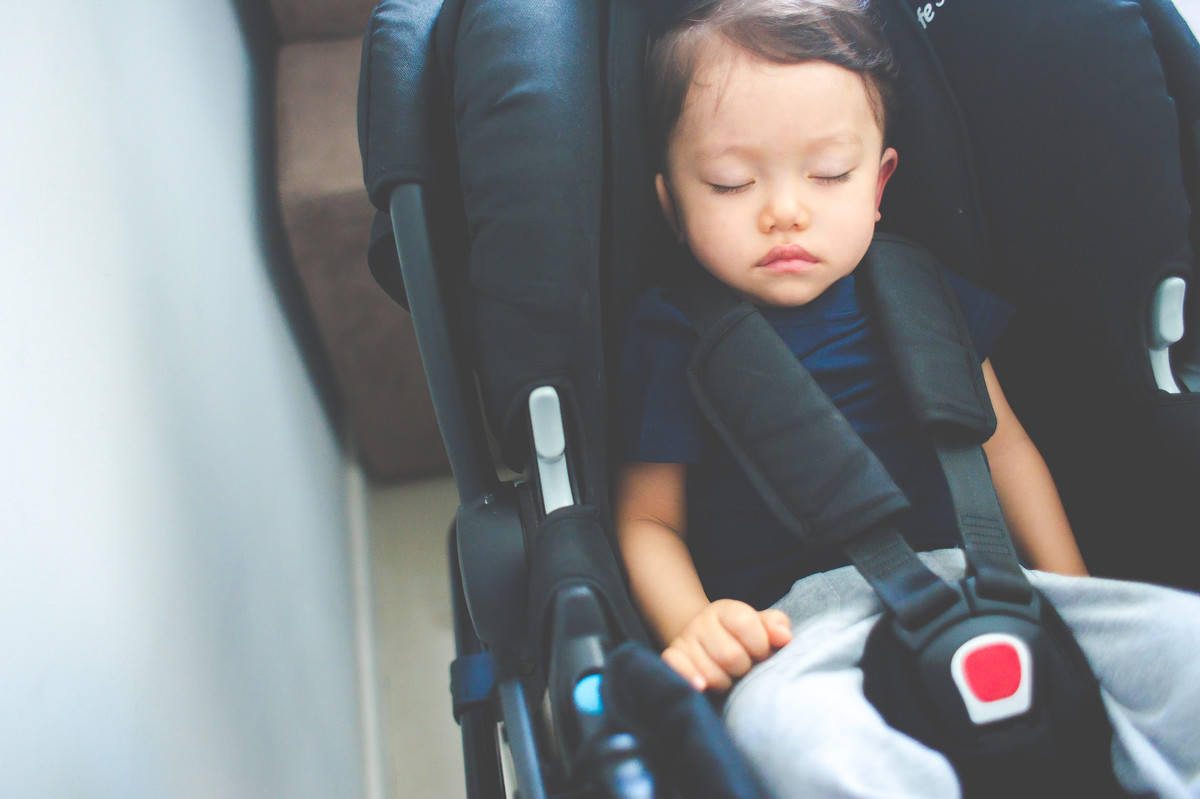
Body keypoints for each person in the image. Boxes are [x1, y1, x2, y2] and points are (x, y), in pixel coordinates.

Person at [612, 0, 1200, 796]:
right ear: (670, 200)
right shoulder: (676, 335)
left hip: (991, 579)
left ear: (880, 181)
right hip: (804, 631)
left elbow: (1006, 448)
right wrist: (696, 623)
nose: (785, 208)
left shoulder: (921, 291)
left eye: (828, 175)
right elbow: (648, 520)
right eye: (730, 181)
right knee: (777, 734)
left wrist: (1073, 588)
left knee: (1183, 642)